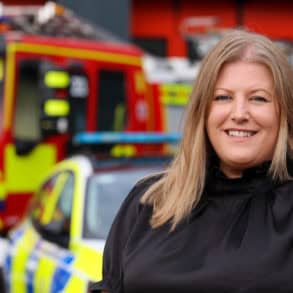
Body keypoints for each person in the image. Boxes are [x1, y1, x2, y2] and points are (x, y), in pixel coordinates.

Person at [91, 29, 293, 293]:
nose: (239, 113)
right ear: (203, 112)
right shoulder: (149, 202)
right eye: (223, 97)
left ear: (285, 114)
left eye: (258, 98)